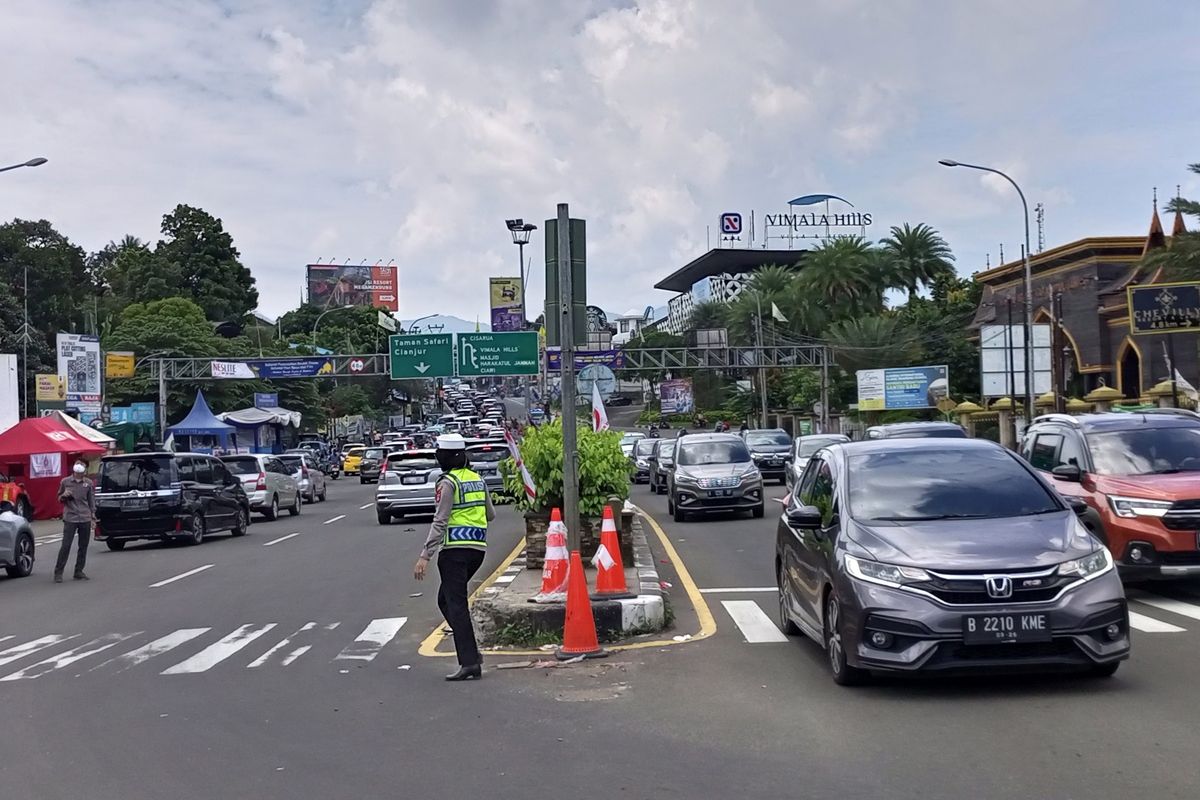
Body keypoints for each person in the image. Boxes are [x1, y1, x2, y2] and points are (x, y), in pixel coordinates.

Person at [413, 433, 495, 681]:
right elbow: (490, 514)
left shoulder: (447, 483)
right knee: (446, 600)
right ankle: (472, 653)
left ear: (445, 457)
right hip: (477, 550)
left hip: (454, 552)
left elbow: (440, 520)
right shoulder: (477, 479)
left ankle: (469, 662)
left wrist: (425, 556)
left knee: (456, 605)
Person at [55, 459, 95, 583]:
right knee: (66, 545)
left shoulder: (88, 483)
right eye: (77, 463)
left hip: (85, 517)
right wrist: (64, 495)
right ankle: (58, 572)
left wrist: (93, 516)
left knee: (83, 546)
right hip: (70, 517)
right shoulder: (65, 481)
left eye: (82, 465)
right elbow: (59, 498)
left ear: (85, 469)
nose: (79, 466)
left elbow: (91, 500)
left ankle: (78, 570)